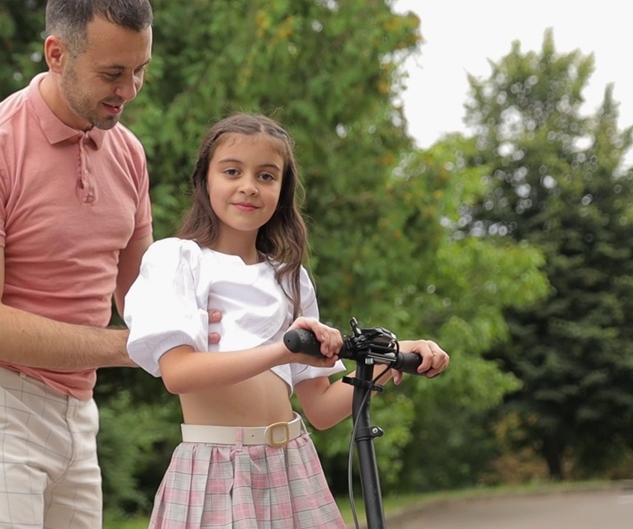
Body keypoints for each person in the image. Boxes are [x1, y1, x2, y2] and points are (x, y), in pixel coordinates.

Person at [0, 0, 167, 529]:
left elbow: (143, 296)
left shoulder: (128, 154)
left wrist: (245, 329)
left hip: (77, 410)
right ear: (57, 54)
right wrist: (130, 348)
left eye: (140, 70)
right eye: (112, 74)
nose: (128, 91)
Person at [123, 113, 450, 529]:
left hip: (294, 463)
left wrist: (391, 357)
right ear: (205, 179)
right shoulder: (178, 259)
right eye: (231, 171)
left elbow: (321, 408)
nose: (248, 186)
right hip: (217, 468)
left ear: (282, 189)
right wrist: (282, 347)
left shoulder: (290, 277)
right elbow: (179, 373)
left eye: (266, 176)